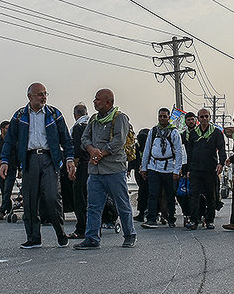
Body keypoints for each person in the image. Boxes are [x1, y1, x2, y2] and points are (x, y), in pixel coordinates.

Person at [0, 83, 75, 249]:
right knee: (30, 201)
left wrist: (69, 159)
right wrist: (4, 161)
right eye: (39, 94)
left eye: (45, 94)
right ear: (30, 97)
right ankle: (34, 238)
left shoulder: (54, 114)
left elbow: (66, 139)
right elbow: (10, 140)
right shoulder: (20, 116)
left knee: (52, 197)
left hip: (50, 159)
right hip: (29, 160)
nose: (43, 97)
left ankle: (60, 233)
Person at [76, 89, 137, 249]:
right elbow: (84, 138)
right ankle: (92, 238)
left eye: (98, 100)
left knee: (122, 204)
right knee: (93, 206)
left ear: (108, 102)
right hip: (95, 170)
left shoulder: (120, 118)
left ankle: (130, 235)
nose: (94, 102)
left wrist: (101, 153)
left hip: (114, 169)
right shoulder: (94, 119)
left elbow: (119, 140)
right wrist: (91, 150)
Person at [140, 108, 185, 228]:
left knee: (170, 195)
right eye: (160, 116)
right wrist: (144, 167)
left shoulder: (174, 132)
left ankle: (171, 218)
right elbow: (147, 150)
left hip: (169, 167)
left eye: (164, 116)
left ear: (168, 117)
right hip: (154, 166)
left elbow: (179, 152)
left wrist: (177, 170)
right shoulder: (153, 131)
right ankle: (151, 218)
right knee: (153, 194)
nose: (162, 119)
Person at [184, 108, 227, 229]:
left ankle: (209, 220)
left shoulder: (216, 133)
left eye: (206, 116)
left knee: (211, 195)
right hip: (195, 169)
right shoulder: (193, 134)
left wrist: (221, 163)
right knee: (194, 195)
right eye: (201, 117)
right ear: (198, 118)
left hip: (210, 169)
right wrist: (188, 169)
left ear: (209, 117)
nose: (204, 119)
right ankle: (194, 220)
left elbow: (222, 149)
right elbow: (189, 152)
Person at [67, 103, 91, 239]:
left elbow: (77, 150)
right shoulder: (93, 125)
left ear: (75, 115)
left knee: (80, 198)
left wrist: (73, 169)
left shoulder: (78, 127)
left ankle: (81, 229)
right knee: (92, 199)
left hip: (83, 165)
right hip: (95, 165)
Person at [176, 112, 197, 220]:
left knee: (197, 193)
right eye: (188, 120)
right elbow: (181, 152)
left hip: (198, 167)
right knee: (182, 193)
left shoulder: (199, 133)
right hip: (185, 168)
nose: (190, 122)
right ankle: (187, 214)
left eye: (192, 119)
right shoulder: (182, 135)